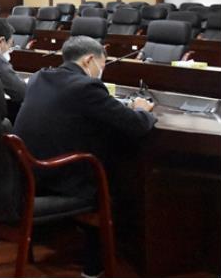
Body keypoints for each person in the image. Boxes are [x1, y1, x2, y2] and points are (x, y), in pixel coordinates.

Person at [14, 36, 156, 277]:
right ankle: (94, 266)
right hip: (62, 179)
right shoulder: (86, 87)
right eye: (103, 63)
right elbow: (136, 125)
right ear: (89, 60)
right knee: (114, 176)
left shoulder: (39, 77)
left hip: (29, 172)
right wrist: (142, 109)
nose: (102, 70)